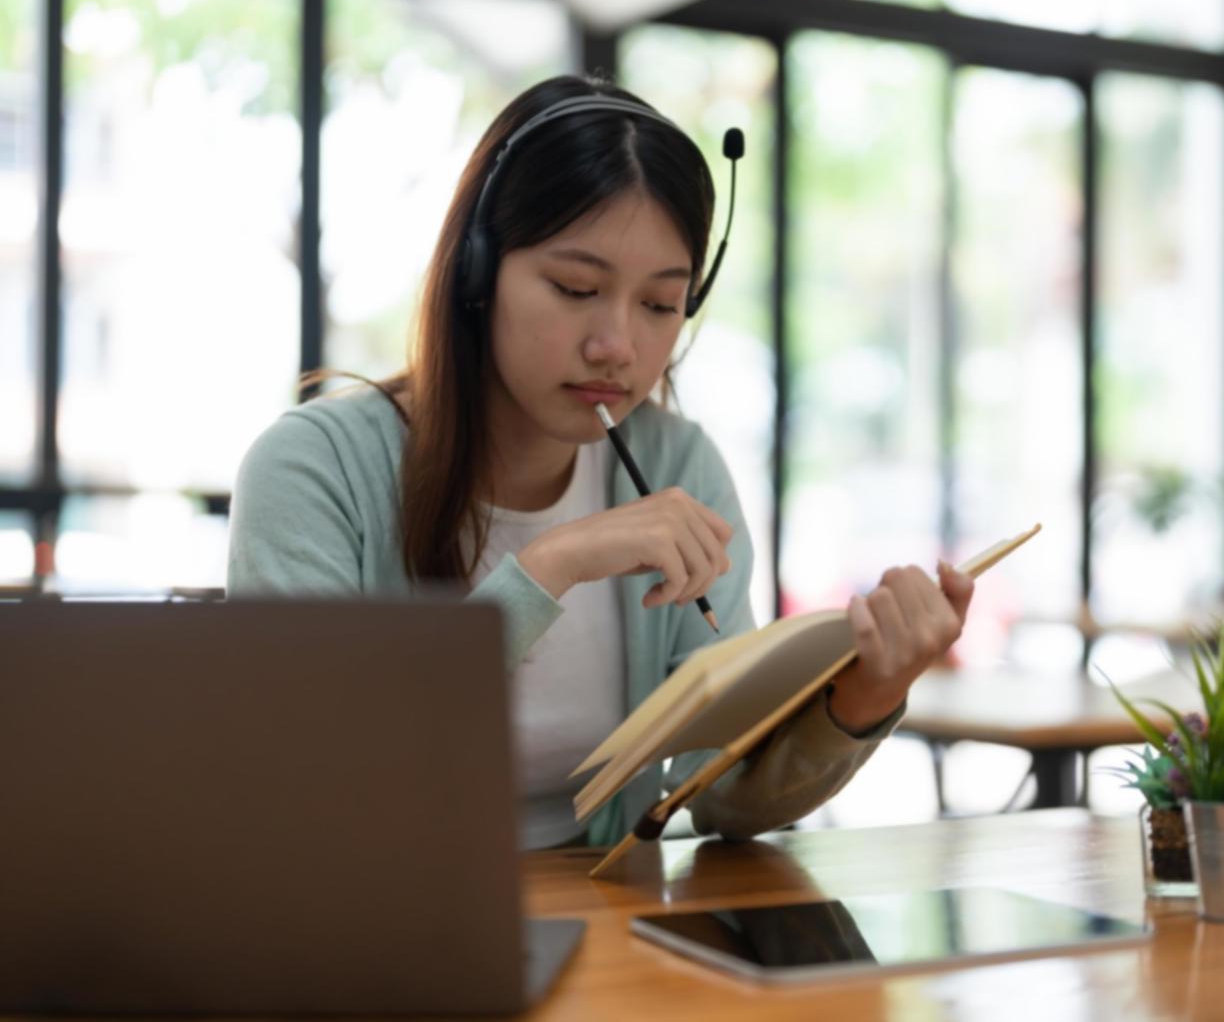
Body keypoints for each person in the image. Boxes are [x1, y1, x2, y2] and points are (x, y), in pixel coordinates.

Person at [227, 74, 974, 849]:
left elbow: (720, 797)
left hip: (609, 926)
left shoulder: (678, 462)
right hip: (386, 932)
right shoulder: (312, 468)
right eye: (576, 287)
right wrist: (552, 566)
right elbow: (313, 777)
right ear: (477, 272)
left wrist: (865, 692)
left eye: (659, 305)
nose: (617, 344)